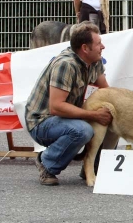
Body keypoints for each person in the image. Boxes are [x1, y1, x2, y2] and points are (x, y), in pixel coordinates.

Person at [25, 22, 114, 186]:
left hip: (65, 117)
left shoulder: (94, 60)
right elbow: (56, 107)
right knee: (82, 130)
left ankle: (92, 168)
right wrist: (94, 115)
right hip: (42, 121)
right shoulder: (66, 64)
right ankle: (46, 163)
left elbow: (109, 93)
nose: (103, 46)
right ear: (85, 48)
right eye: (98, 43)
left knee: (111, 117)